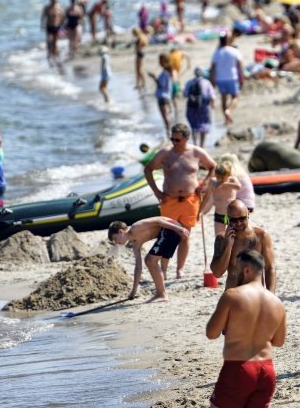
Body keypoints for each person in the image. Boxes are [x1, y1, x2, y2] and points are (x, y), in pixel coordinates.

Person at [201, 250, 286, 408]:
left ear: (247, 270)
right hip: (266, 370)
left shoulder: (232, 296)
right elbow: (278, 341)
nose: (235, 273)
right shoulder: (277, 302)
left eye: (237, 269)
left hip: (239, 368)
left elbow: (211, 333)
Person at [143, 123, 216, 278]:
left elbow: (213, 166)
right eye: (172, 139)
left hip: (190, 200)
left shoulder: (196, 152)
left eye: (177, 139)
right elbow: (148, 169)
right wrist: (157, 192)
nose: (174, 142)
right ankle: (164, 270)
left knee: (185, 236)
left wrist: (205, 183)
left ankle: (180, 269)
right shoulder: (165, 153)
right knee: (168, 235)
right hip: (169, 199)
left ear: (186, 138)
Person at [107, 217, 191, 302]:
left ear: (120, 232)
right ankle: (161, 293)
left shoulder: (136, 227)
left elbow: (158, 221)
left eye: (115, 239)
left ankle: (162, 294)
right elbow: (138, 267)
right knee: (149, 260)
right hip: (167, 233)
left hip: (172, 228)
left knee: (150, 260)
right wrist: (134, 290)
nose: (116, 243)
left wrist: (179, 228)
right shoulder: (135, 244)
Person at [210, 199, 276, 291]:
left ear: (248, 213)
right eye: (233, 220)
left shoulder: (261, 236)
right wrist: (228, 246)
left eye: (242, 219)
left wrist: (270, 295)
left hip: (256, 293)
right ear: (227, 218)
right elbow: (217, 273)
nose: (238, 223)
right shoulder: (221, 238)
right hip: (234, 294)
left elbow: (270, 269)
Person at [211, 34, 245, 125]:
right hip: (232, 77)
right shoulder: (234, 51)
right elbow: (240, 66)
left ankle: (226, 119)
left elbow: (213, 68)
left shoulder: (217, 52)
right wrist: (242, 77)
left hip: (220, 78)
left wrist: (212, 81)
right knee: (235, 97)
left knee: (223, 99)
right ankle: (228, 111)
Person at [184, 67, 216, 147]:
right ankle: (202, 145)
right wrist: (212, 104)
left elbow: (185, 94)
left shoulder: (189, 82)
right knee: (203, 125)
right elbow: (212, 95)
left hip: (192, 107)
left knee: (194, 126)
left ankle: (195, 144)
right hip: (204, 107)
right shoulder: (207, 82)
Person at [151, 53, 175, 137]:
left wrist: (154, 78)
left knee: (165, 116)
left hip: (162, 96)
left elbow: (161, 85)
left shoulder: (165, 73)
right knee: (167, 115)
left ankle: (169, 133)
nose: (159, 63)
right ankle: (169, 132)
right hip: (166, 96)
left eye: (160, 61)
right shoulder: (168, 71)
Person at [40, 0, 63, 64]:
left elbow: (62, 16)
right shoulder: (47, 8)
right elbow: (43, 17)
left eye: (55, 0)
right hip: (49, 26)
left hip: (57, 26)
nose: (54, 1)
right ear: (50, 0)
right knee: (48, 40)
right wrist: (42, 25)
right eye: (53, 0)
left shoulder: (59, 7)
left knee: (55, 41)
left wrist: (62, 25)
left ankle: (54, 54)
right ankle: (49, 53)